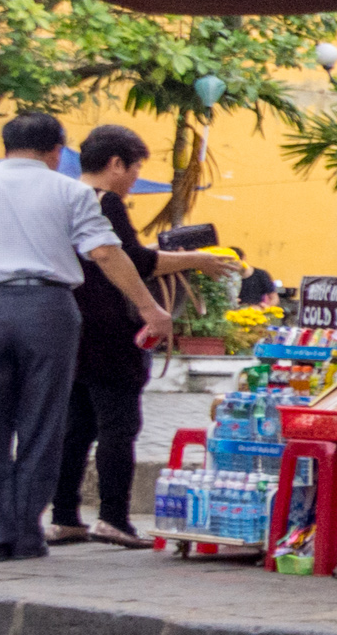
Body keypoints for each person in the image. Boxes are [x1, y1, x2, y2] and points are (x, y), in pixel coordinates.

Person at [0, 113, 172, 562]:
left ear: (6, 146)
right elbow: (105, 253)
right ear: (57, 151)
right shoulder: (71, 192)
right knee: (43, 424)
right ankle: (25, 533)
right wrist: (150, 310)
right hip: (50, 311)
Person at [49, 125, 240, 547]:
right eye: (135, 167)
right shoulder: (105, 202)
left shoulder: (59, 199)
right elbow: (134, 259)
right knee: (119, 424)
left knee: (75, 426)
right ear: (116, 163)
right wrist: (196, 260)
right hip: (111, 328)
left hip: (69, 324)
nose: (136, 176)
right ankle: (113, 517)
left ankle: (64, 515)